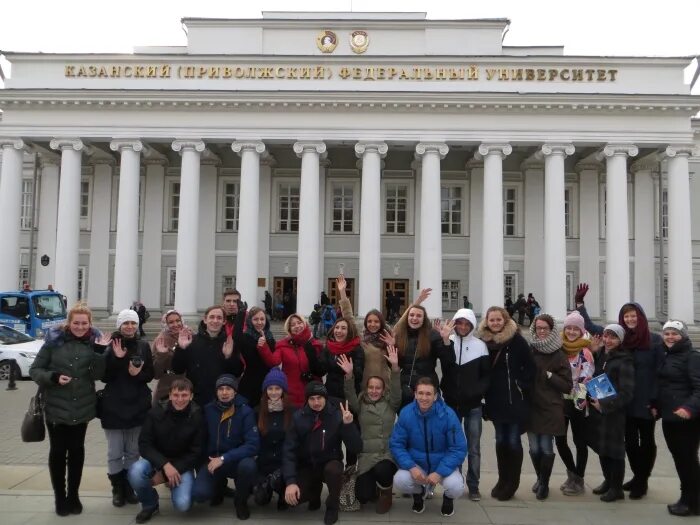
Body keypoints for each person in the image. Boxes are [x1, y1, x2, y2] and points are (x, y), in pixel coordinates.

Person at [29, 302, 107, 516]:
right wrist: (53, 377)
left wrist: (100, 352)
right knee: (57, 452)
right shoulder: (53, 342)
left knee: (77, 452)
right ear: (69, 323)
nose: (80, 326)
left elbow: (98, 375)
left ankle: (74, 495)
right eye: (76, 323)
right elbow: (35, 370)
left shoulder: (94, 343)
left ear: (90, 324)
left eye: (84, 323)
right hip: (55, 406)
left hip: (82, 407)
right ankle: (60, 498)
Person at [283, 382, 362, 525]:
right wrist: (290, 482)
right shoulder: (298, 417)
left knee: (333, 470)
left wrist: (349, 425)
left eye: (319, 398)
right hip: (307, 465)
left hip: (330, 462)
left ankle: (332, 506)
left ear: (326, 398)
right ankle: (314, 492)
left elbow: (356, 447)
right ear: (307, 400)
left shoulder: (337, 415)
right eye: (312, 398)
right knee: (293, 500)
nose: (316, 402)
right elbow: (289, 451)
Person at [478, 305, 535, 501]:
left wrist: (520, 384)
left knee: (512, 441)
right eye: (491, 320)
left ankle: (512, 483)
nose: (495, 323)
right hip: (495, 399)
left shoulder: (516, 340)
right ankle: (502, 480)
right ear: (487, 322)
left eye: (498, 319)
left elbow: (530, 367)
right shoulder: (484, 341)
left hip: (514, 400)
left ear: (505, 320)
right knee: (500, 441)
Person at [127, 378, 203, 523]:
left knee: (183, 504)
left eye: (184, 395)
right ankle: (150, 504)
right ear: (169, 395)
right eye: (176, 395)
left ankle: (181, 487)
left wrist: (170, 472)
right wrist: (164, 466)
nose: (179, 399)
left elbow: (196, 452)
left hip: (182, 464)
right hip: (158, 460)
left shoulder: (197, 416)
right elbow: (144, 444)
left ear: (191, 396)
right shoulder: (155, 413)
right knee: (135, 472)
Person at [100, 309, 155, 507]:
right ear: (120, 326)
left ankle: (129, 487)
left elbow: (150, 374)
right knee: (115, 452)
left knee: (133, 452)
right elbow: (104, 376)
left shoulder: (143, 346)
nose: (130, 327)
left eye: (133, 323)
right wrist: (117, 358)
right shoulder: (110, 346)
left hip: (138, 406)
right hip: (114, 406)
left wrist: (136, 373)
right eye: (126, 323)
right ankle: (117, 489)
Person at [390, 377, 467, 517]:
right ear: (415, 394)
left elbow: (458, 448)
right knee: (400, 480)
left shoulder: (448, 415)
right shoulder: (406, 413)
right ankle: (419, 494)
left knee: (456, 486)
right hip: (417, 465)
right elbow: (396, 444)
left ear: (436, 396)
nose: (424, 398)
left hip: (441, 465)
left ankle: (448, 499)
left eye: (428, 394)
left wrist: (439, 472)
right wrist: (411, 466)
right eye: (420, 393)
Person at [338, 346, 401, 513]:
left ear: (383, 389)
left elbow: (396, 390)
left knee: (383, 470)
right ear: (366, 389)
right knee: (363, 496)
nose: (374, 391)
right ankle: (373, 486)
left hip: (387, 454)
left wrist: (394, 367)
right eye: (371, 387)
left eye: (378, 388)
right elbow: (349, 394)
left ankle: (386, 493)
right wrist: (349, 375)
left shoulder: (391, 403)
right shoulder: (360, 403)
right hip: (366, 457)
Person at [440, 308, 490, 501]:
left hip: (473, 405)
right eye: (459, 323)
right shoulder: (449, 342)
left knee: (473, 447)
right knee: (454, 446)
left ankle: (474, 485)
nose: (462, 327)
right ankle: (456, 482)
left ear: (471, 325)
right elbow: (446, 367)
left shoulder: (480, 346)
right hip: (452, 404)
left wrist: (476, 392)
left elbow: (486, 376)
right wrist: (445, 341)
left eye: (466, 324)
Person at [192, 374, 259, 520]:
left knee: (248, 466)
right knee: (200, 494)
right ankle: (219, 487)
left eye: (228, 388)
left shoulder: (245, 411)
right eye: (221, 389)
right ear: (216, 392)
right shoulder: (208, 410)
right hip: (212, 461)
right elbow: (200, 439)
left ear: (235, 391)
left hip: (236, 460)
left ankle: (240, 502)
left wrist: (224, 458)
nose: (224, 392)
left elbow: (253, 444)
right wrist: (203, 462)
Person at [617, 302, 664, 499]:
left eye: (633, 316)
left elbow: (660, 373)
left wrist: (656, 401)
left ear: (641, 317)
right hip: (627, 400)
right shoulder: (623, 341)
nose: (630, 320)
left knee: (647, 441)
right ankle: (638, 475)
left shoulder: (654, 341)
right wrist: (580, 306)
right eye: (626, 317)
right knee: (629, 443)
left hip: (646, 401)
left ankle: (642, 480)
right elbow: (598, 331)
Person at [526, 314, 573, 500]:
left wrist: (549, 376)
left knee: (546, 448)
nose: (542, 331)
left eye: (545, 328)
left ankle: (544, 484)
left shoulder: (559, 353)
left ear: (552, 330)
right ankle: (540, 478)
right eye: (539, 328)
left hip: (550, 407)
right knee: (534, 448)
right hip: (531, 406)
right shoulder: (531, 350)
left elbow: (567, 385)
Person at [657, 320, 700, 516]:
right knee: (680, 460)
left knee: (688, 460)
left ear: (682, 335)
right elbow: (666, 385)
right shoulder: (668, 355)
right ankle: (687, 498)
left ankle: (693, 502)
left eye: (674, 333)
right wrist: (655, 406)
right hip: (670, 417)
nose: (670, 337)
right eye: (667, 334)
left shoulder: (692, 357)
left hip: (687, 420)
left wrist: (688, 408)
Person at [589, 324, 635, 502]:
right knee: (602, 447)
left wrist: (606, 406)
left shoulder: (625, 360)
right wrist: (594, 352)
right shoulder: (602, 355)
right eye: (606, 336)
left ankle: (617, 488)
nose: (608, 340)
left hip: (614, 411)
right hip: (599, 408)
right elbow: (597, 374)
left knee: (615, 450)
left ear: (620, 340)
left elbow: (627, 392)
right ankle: (608, 481)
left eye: (613, 337)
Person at [392, 288, 454, 406]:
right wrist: (418, 300)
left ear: (423, 319)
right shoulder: (400, 335)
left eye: (418, 316)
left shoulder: (433, 335)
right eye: (412, 315)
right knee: (407, 420)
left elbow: (448, 361)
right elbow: (396, 363)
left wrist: (446, 340)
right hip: (406, 387)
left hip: (428, 387)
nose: (414, 318)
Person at [556, 310, 596, 496]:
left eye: (575, 329)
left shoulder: (585, 352)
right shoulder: (558, 348)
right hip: (559, 401)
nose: (571, 332)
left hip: (578, 402)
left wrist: (577, 400)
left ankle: (578, 478)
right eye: (568, 328)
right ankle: (572, 473)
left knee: (580, 441)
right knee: (560, 440)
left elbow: (586, 378)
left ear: (581, 331)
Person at [171, 305, 238, 407]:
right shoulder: (191, 341)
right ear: (205, 319)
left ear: (224, 321)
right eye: (211, 317)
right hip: (196, 401)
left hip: (220, 401)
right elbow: (177, 370)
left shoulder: (229, 342)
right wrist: (181, 349)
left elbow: (236, 372)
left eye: (219, 318)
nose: (215, 321)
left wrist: (229, 357)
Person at [258, 313, 323, 408]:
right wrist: (264, 346)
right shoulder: (282, 345)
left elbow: (321, 369)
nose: (297, 326)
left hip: (313, 394)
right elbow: (273, 362)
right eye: (292, 325)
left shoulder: (315, 345)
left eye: (299, 322)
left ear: (304, 324)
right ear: (289, 329)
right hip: (292, 394)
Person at [253, 369, 295, 511]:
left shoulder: (292, 412)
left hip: (284, 463)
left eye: (277, 388)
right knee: (260, 500)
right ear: (265, 391)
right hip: (264, 463)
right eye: (270, 389)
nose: (274, 392)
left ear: (283, 390)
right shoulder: (258, 411)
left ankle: (283, 492)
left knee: (286, 497)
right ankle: (266, 486)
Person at [233, 306, 275, 409]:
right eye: (255, 319)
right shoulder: (246, 337)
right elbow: (236, 336)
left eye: (262, 319)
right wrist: (241, 313)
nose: (259, 322)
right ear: (250, 321)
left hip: (267, 383)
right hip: (250, 384)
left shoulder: (270, 337)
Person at [151, 310, 186, 404]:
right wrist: (162, 355)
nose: (176, 324)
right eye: (171, 322)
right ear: (165, 324)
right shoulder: (160, 340)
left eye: (178, 320)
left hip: (187, 388)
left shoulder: (190, 335)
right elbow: (156, 374)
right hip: (166, 389)